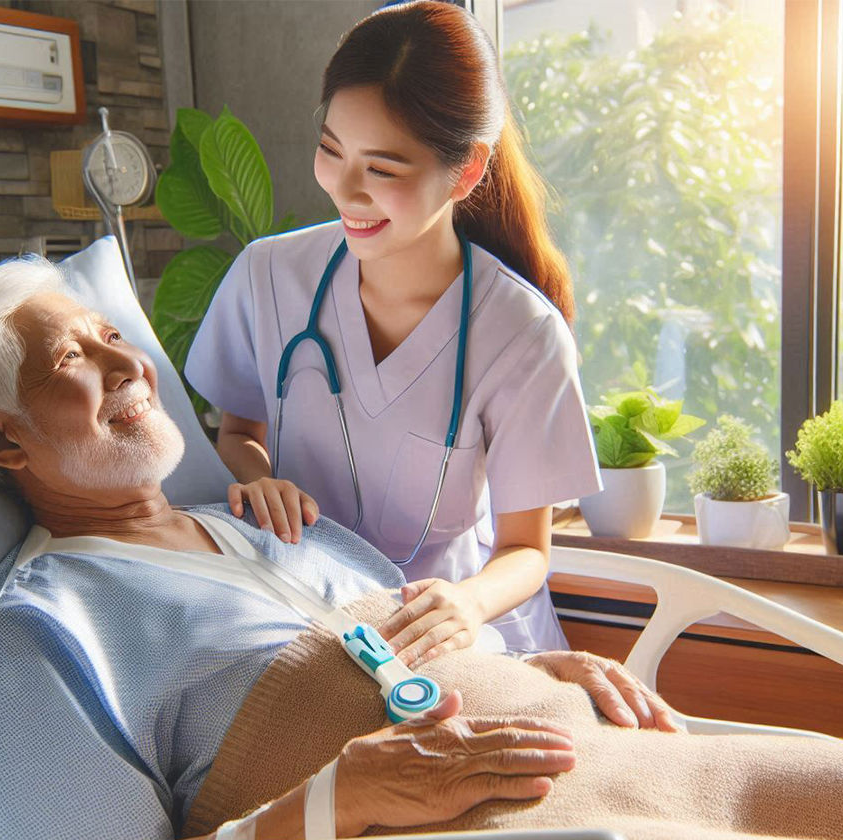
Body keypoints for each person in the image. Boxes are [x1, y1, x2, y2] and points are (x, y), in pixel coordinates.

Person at [0, 258, 683, 840]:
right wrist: (337, 802)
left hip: (599, 759)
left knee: (809, 788)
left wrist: (540, 672)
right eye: (73, 357)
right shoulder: (37, 627)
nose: (129, 362)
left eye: (109, 336)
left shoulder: (265, 524)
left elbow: (402, 660)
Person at [184, 1, 600, 660]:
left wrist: (466, 603)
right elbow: (237, 434)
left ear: (465, 171)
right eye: (331, 150)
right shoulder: (267, 277)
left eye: (382, 169)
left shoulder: (522, 335)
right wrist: (258, 477)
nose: (346, 190)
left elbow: (525, 550)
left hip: (461, 639)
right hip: (308, 621)